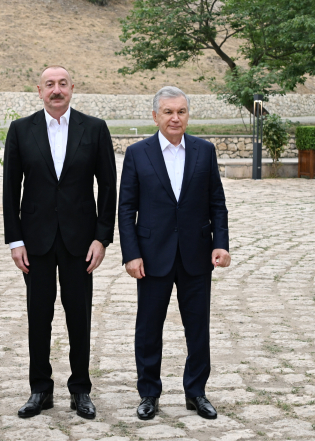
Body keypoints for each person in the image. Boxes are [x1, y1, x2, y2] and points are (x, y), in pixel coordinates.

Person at [3, 65, 117, 420]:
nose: (56, 90)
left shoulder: (94, 129)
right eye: (49, 84)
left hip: (80, 242)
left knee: (79, 316)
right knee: (38, 316)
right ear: (38, 90)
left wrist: (102, 237)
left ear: (72, 88)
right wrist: (14, 240)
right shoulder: (21, 130)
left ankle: (80, 389)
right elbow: (10, 190)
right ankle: (40, 389)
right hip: (34, 241)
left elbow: (109, 187)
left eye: (62, 84)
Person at [118, 86, 231, 421]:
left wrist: (220, 243)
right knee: (149, 327)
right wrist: (131, 254)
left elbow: (217, 204)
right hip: (152, 256)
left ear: (187, 115)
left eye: (181, 111)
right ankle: (149, 393)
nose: (175, 118)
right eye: (168, 112)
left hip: (197, 254)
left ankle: (196, 392)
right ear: (155, 116)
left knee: (197, 328)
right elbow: (126, 210)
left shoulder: (204, 151)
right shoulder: (138, 153)